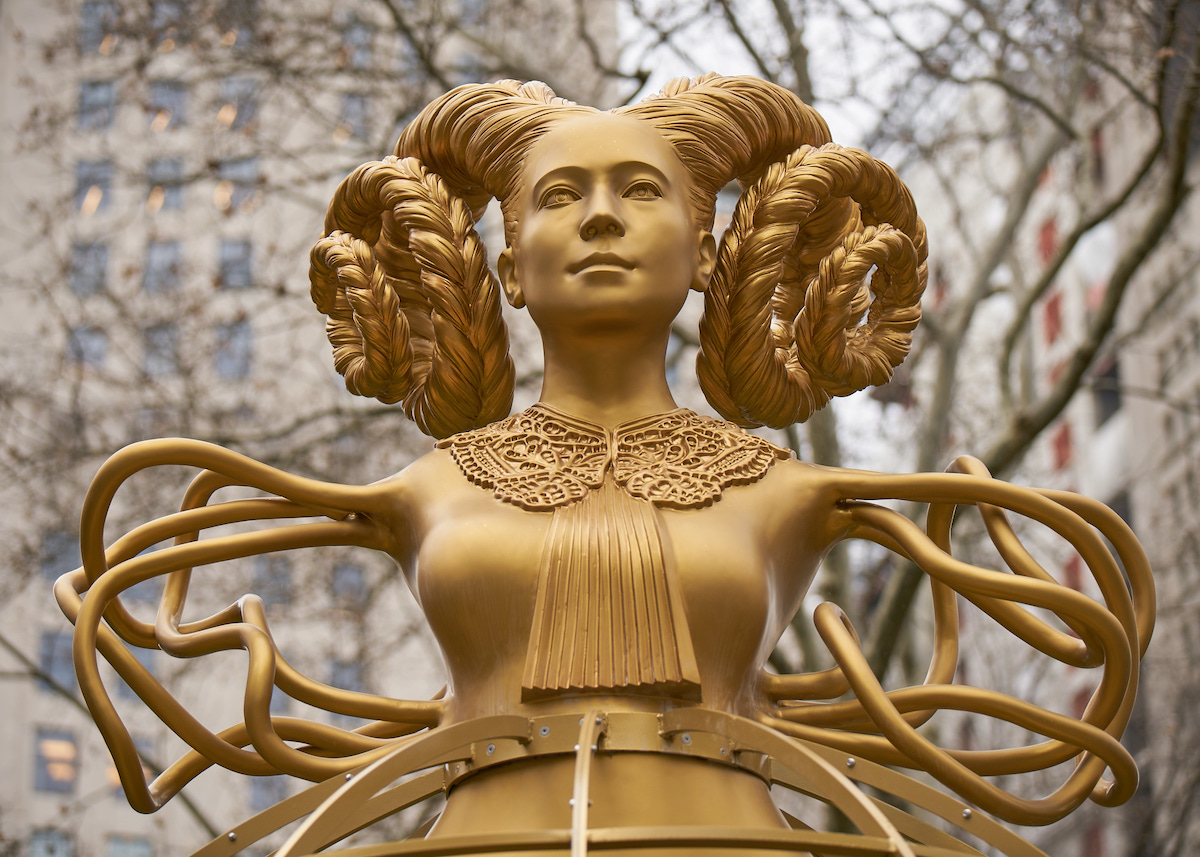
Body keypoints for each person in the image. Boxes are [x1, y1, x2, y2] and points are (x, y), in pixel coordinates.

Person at [57, 76, 1153, 857]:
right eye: (558, 195)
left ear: (709, 250)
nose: (598, 220)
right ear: (509, 268)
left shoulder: (791, 489)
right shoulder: (424, 490)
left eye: (639, 191)